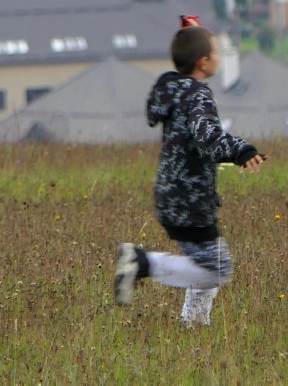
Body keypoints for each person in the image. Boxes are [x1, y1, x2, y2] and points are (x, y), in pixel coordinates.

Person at [114, 25, 267, 327]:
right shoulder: (198, 96)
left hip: (171, 194)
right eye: (216, 51)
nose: (219, 57)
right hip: (189, 199)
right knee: (219, 268)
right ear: (203, 62)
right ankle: (143, 262)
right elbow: (206, 134)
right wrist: (241, 151)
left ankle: (195, 327)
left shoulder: (174, 92)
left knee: (205, 264)